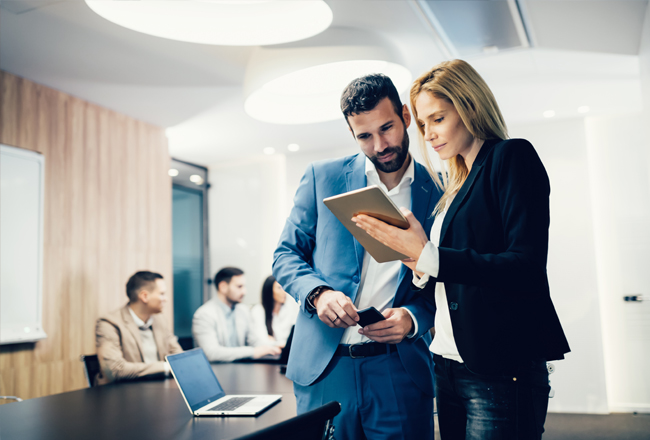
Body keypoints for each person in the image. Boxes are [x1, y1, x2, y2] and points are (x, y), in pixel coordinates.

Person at [352, 59, 571, 440]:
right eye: (422, 124)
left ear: (469, 106)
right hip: (448, 362)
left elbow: (526, 267)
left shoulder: (511, 157)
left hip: (500, 367)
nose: (429, 134)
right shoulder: (454, 184)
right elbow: (446, 274)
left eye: (437, 118)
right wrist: (415, 260)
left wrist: (428, 256)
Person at [273, 73, 443, 440]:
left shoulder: (441, 190)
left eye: (387, 128)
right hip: (325, 367)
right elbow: (285, 255)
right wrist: (319, 294)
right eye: (365, 136)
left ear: (405, 116)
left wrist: (413, 318)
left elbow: (444, 279)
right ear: (351, 133)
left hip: (398, 367)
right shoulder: (323, 177)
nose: (380, 144)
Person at [95, 271, 182, 385]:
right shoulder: (109, 323)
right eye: (162, 294)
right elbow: (115, 369)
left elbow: (179, 358)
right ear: (144, 296)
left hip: (158, 387)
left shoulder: (160, 320)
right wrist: (166, 367)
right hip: (123, 392)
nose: (165, 299)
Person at [192, 267, 281, 362]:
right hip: (216, 371)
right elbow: (211, 353)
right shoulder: (204, 315)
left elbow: (254, 341)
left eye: (244, 286)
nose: (244, 292)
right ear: (223, 287)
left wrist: (274, 346)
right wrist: (252, 352)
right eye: (239, 287)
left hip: (240, 369)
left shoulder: (243, 310)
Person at [251, 275, 298, 346]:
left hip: (285, 351)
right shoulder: (258, 310)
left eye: (284, 287)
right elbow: (261, 340)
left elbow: (293, 336)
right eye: (279, 288)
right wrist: (277, 343)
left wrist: (274, 341)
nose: (284, 292)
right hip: (268, 354)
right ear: (269, 290)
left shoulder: (289, 308)